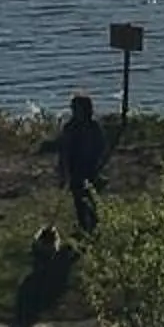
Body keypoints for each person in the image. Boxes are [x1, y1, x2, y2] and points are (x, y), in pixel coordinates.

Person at [56, 91, 109, 235]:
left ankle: (94, 228)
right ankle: (84, 229)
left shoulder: (94, 126)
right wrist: (63, 172)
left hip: (92, 168)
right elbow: (64, 151)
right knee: (79, 202)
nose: (74, 111)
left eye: (76, 108)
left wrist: (100, 164)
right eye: (73, 108)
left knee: (92, 200)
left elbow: (102, 146)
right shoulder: (70, 128)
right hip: (75, 170)